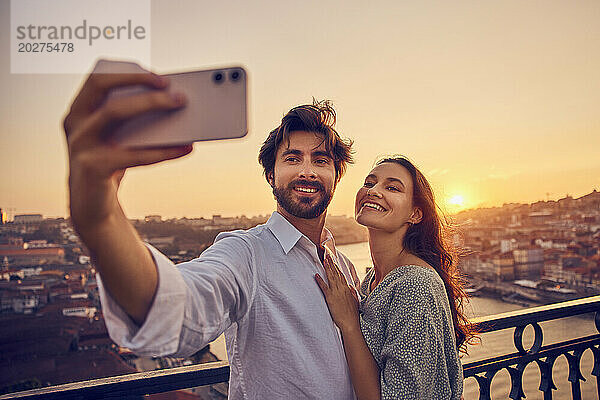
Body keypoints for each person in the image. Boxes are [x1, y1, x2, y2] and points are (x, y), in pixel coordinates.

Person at [63, 68, 361, 399]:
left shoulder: (344, 268)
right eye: (292, 158)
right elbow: (177, 307)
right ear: (270, 174)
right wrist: (101, 218)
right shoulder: (246, 255)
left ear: (337, 174)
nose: (307, 170)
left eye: (320, 160)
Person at [316, 156, 474, 400]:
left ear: (415, 214)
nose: (374, 191)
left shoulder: (415, 285)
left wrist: (349, 324)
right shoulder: (373, 280)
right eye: (369, 183)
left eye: (392, 187)